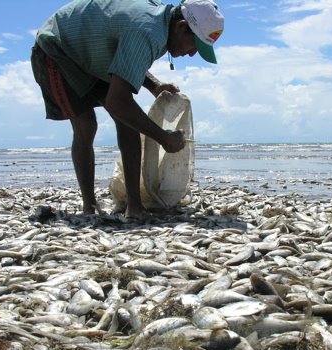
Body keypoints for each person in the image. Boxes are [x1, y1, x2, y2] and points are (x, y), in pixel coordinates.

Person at [31, 0, 224, 220]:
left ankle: (134, 206)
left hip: (95, 53)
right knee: (86, 124)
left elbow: (127, 58)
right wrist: (163, 138)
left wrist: (154, 85)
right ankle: (89, 206)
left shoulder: (161, 24)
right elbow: (118, 101)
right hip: (58, 48)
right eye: (195, 45)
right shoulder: (148, 30)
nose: (192, 54)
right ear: (181, 26)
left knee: (127, 122)